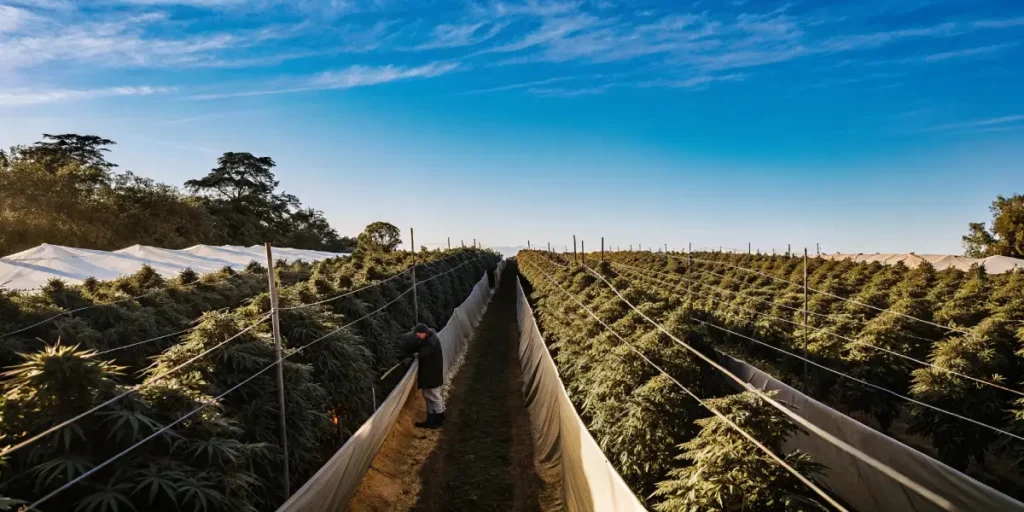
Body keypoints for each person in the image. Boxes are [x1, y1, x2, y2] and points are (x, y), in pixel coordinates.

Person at [404, 323, 445, 429]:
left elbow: (423, 354)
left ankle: (439, 419)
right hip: (429, 374)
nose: (417, 337)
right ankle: (431, 420)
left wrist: (414, 355)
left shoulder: (431, 342)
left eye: (418, 335)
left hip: (432, 374)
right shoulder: (429, 336)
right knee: (428, 396)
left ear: (423, 333)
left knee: (435, 396)